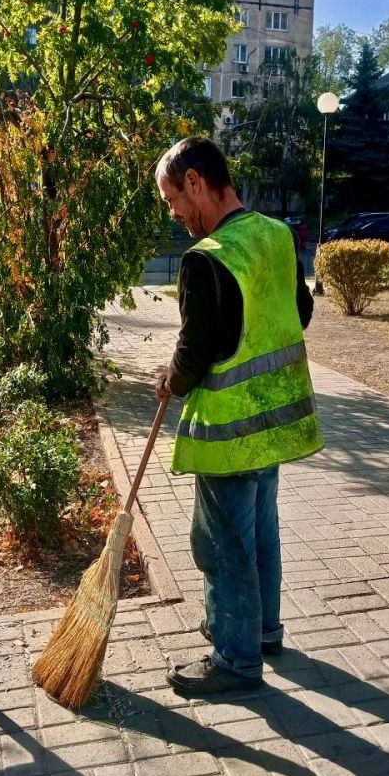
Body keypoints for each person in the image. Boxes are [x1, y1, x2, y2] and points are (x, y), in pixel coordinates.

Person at [154, 136, 324, 696]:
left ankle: (234, 659)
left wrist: (171, 383)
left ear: (196, 181)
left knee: (224, 545)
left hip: (229, 431)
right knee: (261, 535)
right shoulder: (277, 237)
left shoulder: (206, 259)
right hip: (275, 424)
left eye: (173, 199)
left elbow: (196, 348)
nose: (175, 214)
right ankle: (262, 632)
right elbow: (299, 312)